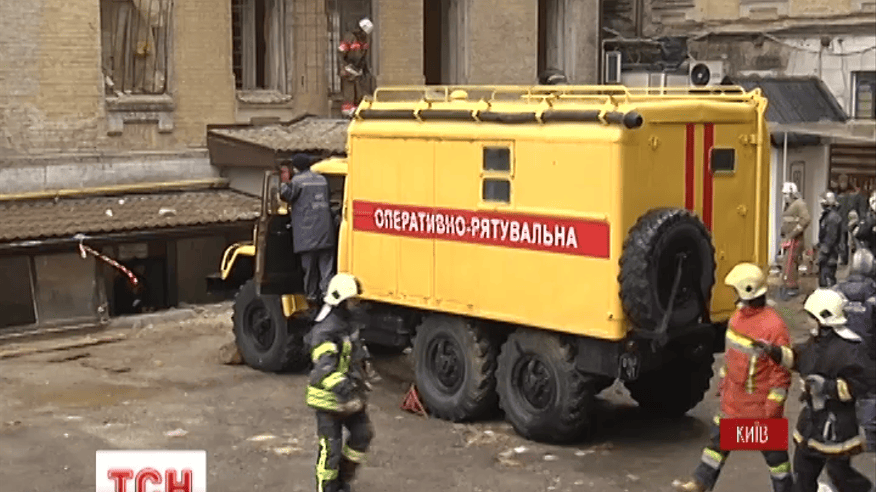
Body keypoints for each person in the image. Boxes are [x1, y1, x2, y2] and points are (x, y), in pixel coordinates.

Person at [671, 263, 792, 492]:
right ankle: (700, 483)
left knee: (776, 460)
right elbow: (731, 357)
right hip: (735, 401)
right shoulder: (738, 318)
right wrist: (724, 383)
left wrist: (773, 407)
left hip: (760, 407)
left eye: (735, 290)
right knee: (717, 444)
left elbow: (781, 373)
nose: (733, 295)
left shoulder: (774, 327)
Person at [754, 289, 875, 492]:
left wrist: (827, 387)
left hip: (836, 426)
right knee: (803, 474)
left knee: (840, 474)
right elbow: (797, 358)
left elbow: (862, 384)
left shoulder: (850, 350)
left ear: (823, 319)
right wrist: (772, 351)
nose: (808, 321)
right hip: (811, 422)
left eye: (811, 316)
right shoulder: (816, 343)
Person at [305, 273, 374, 492]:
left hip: (349, 396)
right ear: (341, 301)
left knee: (362, 434)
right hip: (328, 400)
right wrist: (346, 388)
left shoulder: (349, 324)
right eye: (353, 299)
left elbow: (356, 355)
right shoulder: (325, 331)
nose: (357, 303)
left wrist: (365, 375)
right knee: (330, 449)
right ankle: (327, 488)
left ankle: (342, 481)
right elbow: (324, 370)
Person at [833, 249, 876, 453]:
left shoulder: (836, 291)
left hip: (840, 352)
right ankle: (870, 440)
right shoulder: (873, 293)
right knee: (869, 394)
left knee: (841, 391)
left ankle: (840, 435)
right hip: (868, 353)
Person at [280, 153, 336, 305]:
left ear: (296, 167)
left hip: (307, 234)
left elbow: (285, 195)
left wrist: (285, 180)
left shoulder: (297, 182)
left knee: (310, 270)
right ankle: (328, 297)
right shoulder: (322, 180)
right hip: (326, 231)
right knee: (327, 269)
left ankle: (312, 298)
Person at [780, 182, 811, 300]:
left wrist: (794, 233)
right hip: (788, 238)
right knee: (786, 263)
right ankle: (787, 284)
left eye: (786, 194)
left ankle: (792, 287)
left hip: (795, 240)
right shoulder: (789, 205)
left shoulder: (800, 204)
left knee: (790, 264)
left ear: (792, 193)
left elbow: (806, 219)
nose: (785, 196)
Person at [338, 18, 374, 117]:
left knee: (359, 91)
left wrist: (363, 69)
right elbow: (341, 53)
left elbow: (364, 55)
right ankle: (347, 112)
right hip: (348, 67)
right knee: (349, 91)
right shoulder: (349, 38)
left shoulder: (364, 40)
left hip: (357, 69)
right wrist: (344, 66)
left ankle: (356, 110)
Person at [817, 191, 843, 288]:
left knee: (827, 278)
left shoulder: (832, 217)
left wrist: (824, 252)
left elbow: (831, 237)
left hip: (829, 254)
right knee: (825, 276)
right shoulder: (828, 215)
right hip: (829, 252)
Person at [837, 175, 852, 266]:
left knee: (845, 241)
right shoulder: (839, 196)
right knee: (842, 241)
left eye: (844, 182)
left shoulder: (848, 197)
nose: (843, 184)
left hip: (846, 222)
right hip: (841, 222)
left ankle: (844, 258)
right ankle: (844, 258)